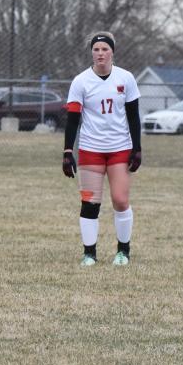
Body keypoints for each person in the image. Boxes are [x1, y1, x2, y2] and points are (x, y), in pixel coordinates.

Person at [62, 31, 142, 267]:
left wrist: (137, 148)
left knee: (119, 199)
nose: (100, 53)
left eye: (104, 49)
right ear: (91, 53)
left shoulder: (125, 78)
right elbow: (73, 119)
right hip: (90, 150)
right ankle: (89, 253)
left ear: (112, 52)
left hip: (119, 148)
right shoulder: (81, 81)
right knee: (90, 202)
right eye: (96, 49)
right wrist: (68, 151)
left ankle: (123, 251)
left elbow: (133, 116)